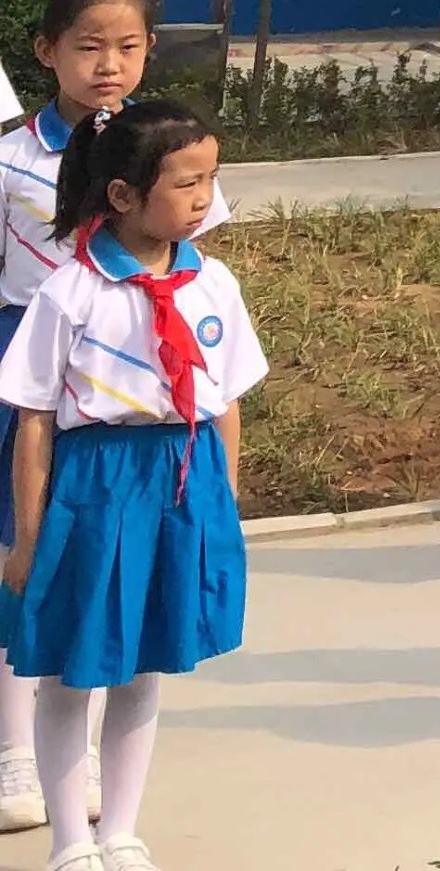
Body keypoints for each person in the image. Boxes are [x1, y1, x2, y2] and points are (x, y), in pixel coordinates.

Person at [0, 99, 259, 871]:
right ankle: (70, 841)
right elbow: (36, 421)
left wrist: (225, 506)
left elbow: (229, 402)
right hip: (97, 489)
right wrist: (30, 534)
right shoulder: (70, 293)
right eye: (185, 183)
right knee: (76, 669)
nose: (203, 198)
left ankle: (121, 829)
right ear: (121, 195)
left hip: (182, 481)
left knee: (146, 664)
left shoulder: (214, 284)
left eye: (209, 179)